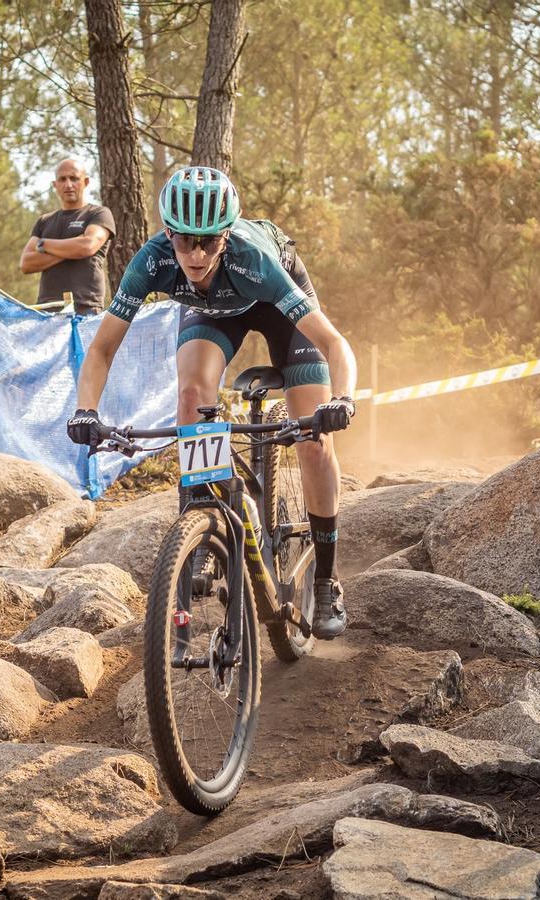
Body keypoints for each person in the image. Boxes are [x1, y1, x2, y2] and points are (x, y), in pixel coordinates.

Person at [66, 166, 356, 639]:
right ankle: (204, 511)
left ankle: (326, 578)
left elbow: (335, 343)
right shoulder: (154, 261)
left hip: (277, 306)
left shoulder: (255, 259)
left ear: (225, 235)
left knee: (313, 440)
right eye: (184, 241)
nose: (195, 254)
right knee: (190, 394)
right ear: (167, 233)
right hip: (214, 311)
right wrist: (86, 410)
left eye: (208, 242)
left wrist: (342, 400)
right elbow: (101, 349)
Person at [19, 159, 115, 315]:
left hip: (85, 308)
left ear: (86, 182)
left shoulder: (99, 214)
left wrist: (43, 244)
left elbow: (87, 246)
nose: (68, 184)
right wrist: (73, 248)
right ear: (54, 185)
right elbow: (26, 263)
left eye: (74, 178)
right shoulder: (44, 221)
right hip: (46, 311)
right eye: (62, 179)